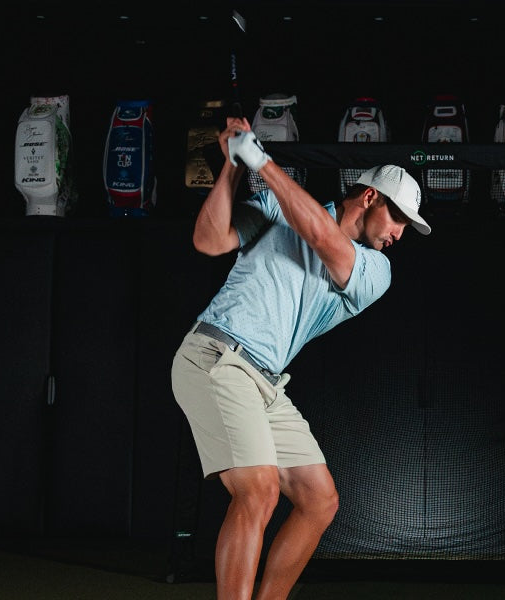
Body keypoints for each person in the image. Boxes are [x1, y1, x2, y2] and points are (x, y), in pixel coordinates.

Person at [171, 116, 430, 600]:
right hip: (215, 356)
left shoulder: (376, 270)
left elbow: (323, 238)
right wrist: (232, 164)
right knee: (260, 490)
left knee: (319, 500)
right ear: (370, 197)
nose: (399, 233)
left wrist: (260, 161)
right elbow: (209, 241)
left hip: (265, 384)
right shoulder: (275, 208)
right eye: (398, 218)